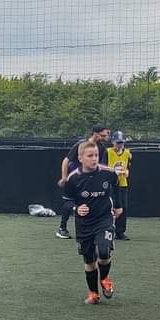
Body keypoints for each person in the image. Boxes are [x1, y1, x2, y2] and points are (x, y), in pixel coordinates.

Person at [62, 140, 123, 305]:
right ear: (81, 158)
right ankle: (93, 294)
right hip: (84, 224)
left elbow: (116, 188)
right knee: (89, 261)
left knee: (103, 252)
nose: (94, 159)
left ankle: (105, 279)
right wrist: (76, 209)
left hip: (104, 218)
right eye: (90, 156)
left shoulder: (108, 173)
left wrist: (118, 206)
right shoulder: (73, 179)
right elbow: (66, 201)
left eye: (96, 155)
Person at [55, 124, 110, 239]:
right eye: (103, 135)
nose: (105, 138)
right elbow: (66, 161)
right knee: (70, 201)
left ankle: (93, 228)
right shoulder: (81, 144)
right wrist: (65, 177)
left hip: (90, 180)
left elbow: (103, 167)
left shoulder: (102, 149)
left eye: (106, 135)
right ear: (95, 133)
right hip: (76, 178)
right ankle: (62, 228)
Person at [106, 130, 132, 240]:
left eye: (121, 142)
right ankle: (108, 229)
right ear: (112, 142)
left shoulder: (127, 153)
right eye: (117, 142)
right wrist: (112, 172)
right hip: (110, 184)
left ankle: (120, 232)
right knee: (109, 207)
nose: (119, 145)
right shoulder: (107, 152)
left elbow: (128, 167)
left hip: (122, 184)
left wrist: (126, 172)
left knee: (123, 207)